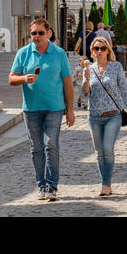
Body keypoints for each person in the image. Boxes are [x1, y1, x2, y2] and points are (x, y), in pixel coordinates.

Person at [8, 17, 75, 201]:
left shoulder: (59, 53)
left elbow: (68, 83)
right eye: (33, 33)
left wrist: (70, 110)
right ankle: (42, 185)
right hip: (31, 109)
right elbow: (11, 78)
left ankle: (52, 186)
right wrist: (24, 79)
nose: (36, 36)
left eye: (40, 33)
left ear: (49, 33)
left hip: (54, 108)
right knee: (36, 148)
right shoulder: (23, 53)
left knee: (50, 144)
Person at [81, 36, 127, 196]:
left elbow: (124, 89)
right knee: (99, 152)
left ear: (108, 51)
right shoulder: (89, 69)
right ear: (92, 51)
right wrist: (86, 79)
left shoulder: (116, 66)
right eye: (96, 49)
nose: (99, 51)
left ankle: (106, 184)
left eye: (102, 48)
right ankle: (105, 181)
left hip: (113, 115)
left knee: (107, 148)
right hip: (94, 116)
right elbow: (84, 95)